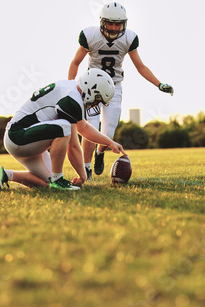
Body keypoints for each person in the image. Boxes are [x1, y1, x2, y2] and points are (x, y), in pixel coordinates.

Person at [68, 2, 173, 180]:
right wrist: (70, 86)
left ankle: (100, 153)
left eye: (118, 24)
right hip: (91, 87)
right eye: (110, 23)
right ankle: (86, 168)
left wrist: (158, 83)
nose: (114, 27)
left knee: (108, 132)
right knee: (90, 127)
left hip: (113, 87)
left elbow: (140, 66)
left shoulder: (129, 39)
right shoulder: (90, 35)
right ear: (102, 21)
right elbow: (75, 62)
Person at [0, 68, 126, 191]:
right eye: (97, 99)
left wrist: (109, 143)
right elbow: (73, 147)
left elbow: (83, 128)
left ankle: (4, 174)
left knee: (47, 184)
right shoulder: (72, 99)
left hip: (26, 139)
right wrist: (83, 176)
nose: (96, 104)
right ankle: (58, 179)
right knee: (64, 126)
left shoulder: (71, 88)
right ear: (91, 90)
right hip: (18, 136)